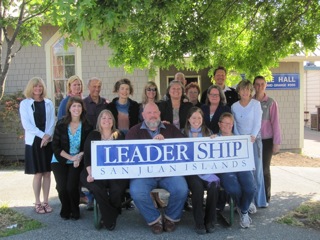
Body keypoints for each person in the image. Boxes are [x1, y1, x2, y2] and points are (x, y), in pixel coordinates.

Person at [126, 102, 189, 234]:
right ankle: (154, 219)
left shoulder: (170, 129)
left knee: (181, 188)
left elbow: (184, 147)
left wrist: (165, 144)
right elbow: (129, 156)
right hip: (144, 174)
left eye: (155, 112)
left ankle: (170, 218)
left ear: (159, 114)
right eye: (149, 113)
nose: (152, 115)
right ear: (143, 115)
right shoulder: (134, 131)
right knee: (137, 191)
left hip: (169, 173)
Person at [80, 110, 128, 230]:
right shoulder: (93, 135)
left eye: (109, 118)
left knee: (116, 189)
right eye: (103, 118)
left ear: (113, 121)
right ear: (99, 121)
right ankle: (111, 217)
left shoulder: (119, 135)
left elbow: (125, 156)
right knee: (97, 188)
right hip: (93, 170)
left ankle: (107, 216)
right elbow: (87, 157)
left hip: (115, 172)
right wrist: (90, 173)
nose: (107, 120)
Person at [51, 97, 93, 220]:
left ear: (82, 109)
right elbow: (55, 146)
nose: (76, 108)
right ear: (69, 108)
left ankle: (75, 209)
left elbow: (88, 145)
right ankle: (66, 209)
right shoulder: (61, 124)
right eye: (73, 106)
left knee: (71, 187)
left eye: (79, 106)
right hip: (60, 159)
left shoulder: (87, 125)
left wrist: (78, 158)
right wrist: (71, 157)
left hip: (77, 160)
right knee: (62, 187)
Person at [19, 77, 55, 214]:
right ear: (31, 88)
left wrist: (47, 136)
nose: (38, 89)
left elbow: (52, 121)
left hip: (47, 142)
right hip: (34, 142)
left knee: (47, 172)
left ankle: (46, 202)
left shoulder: (49, 103)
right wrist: (42, 136)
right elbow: (26, 125)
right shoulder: (25, 104)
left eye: (40, 86)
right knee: (38, 173)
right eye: (35, 87)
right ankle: (38, 202)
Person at [215, 112, 256, 228]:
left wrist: (250, 140)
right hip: (226, 171)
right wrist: (211, 140)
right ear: (219, 124)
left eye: (230, 123)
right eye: (225, 123)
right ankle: (244, 208)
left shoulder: (240, 139)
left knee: (250, 188)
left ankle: (243, 209)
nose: (227, 126)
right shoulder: (214, 138)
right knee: (233, 189)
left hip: (242, 168)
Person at [182, 107, 219, 234]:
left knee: (214, 186)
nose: (196, 120)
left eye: (199, 117)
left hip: (207, 169)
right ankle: (199, 222)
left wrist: (216, 140)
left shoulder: (209, 132)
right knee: (197, 188)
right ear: (188, 119)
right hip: (191, 171)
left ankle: (210, 220)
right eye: (193, 118)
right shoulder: (182, 134)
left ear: (203, 119)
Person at [231, 80, 267, 208]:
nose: (245, 92)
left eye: (248, 89)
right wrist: (240, 139)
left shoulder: (256, 104)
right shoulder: (234, 106)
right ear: (239, 91)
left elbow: (258, 122)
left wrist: (252, 136)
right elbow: (234, 124)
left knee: (256, 171)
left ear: (251, 91)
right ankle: (247, 202)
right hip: (241, 143)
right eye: (243, 89)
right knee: (245, 173)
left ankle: (259, 200)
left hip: (254, 141)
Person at [253, 76, 281, 203]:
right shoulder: (250, 101)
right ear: (254, 86)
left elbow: (276, 123)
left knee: (264, 169)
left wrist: (277, 142)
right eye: (257, 84)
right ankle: (255, 197)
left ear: (265, 85)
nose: (259, 87)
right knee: (254, 169)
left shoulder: (271, 102)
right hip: (253, 141)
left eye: (262, 84)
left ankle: (266, 197)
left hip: (267, 140)